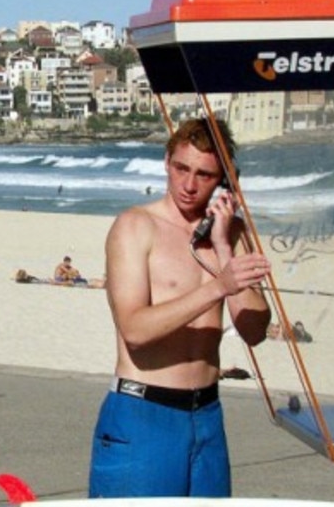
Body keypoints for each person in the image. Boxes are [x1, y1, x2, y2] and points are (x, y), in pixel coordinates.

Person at [89, 117, 271, 499]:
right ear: (166, 161)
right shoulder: (136, 226)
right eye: (181, 169)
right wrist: (218, 287)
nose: (189, 186)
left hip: (206, 414)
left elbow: (254, 330)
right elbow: (135, 330)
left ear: (224, 179)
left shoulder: (231, 233)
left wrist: (223, 248)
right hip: (144, 414)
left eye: (205, 175)